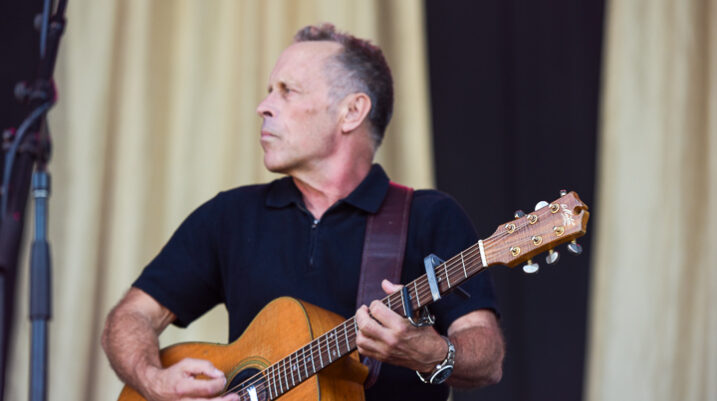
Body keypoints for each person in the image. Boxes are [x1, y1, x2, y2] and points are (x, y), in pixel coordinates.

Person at [102, 23, 504, 401]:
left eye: (287, 91)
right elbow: (132, 315)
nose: (263, 107)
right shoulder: (230, 216)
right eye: (269, 91)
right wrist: (152, 380)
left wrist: (432, 353)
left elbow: (487, 357)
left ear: (352, 111)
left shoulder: (430, 216)